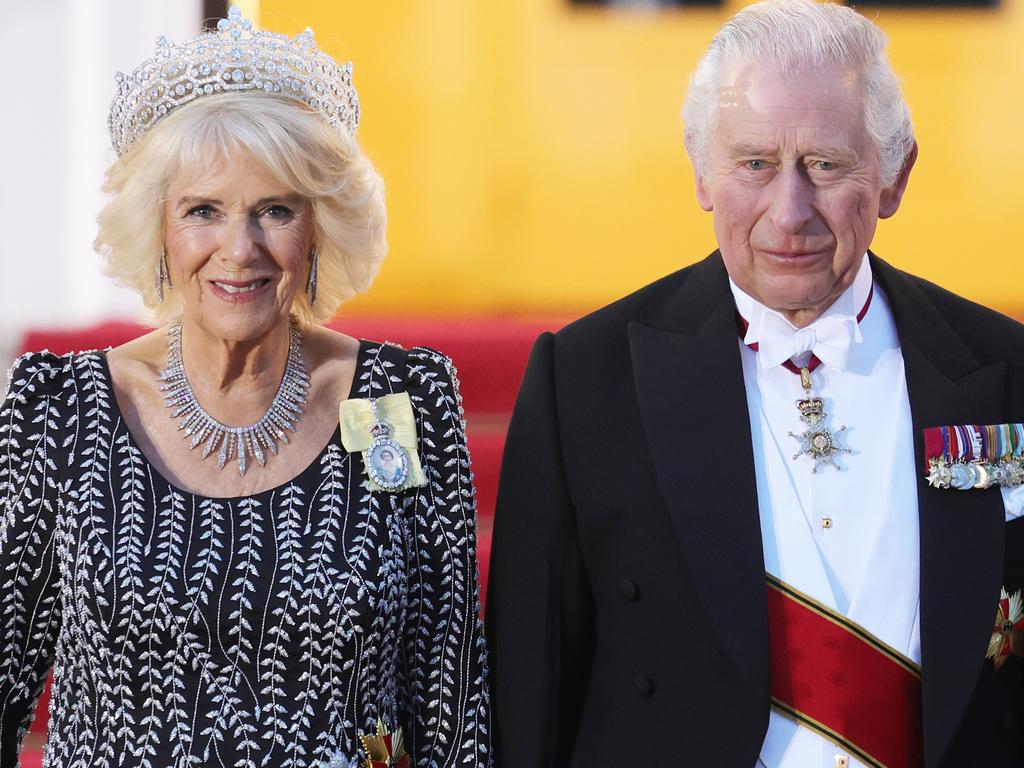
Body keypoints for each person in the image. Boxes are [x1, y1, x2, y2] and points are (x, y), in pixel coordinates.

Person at [486, 1, 1024, 765]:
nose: (789, 211)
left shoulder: (1004, 369)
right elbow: (532, 698)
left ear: (895, 177)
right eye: (755, 165)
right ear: (702, 173)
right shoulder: (585, 382)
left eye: (826, 165)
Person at [0, 9, 491, 768]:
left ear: (319, 228)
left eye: (275, 210)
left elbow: (448, 696)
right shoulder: (60, 409)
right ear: (157, 227)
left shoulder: (396, 399)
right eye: (203, 211)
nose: (240, 250)